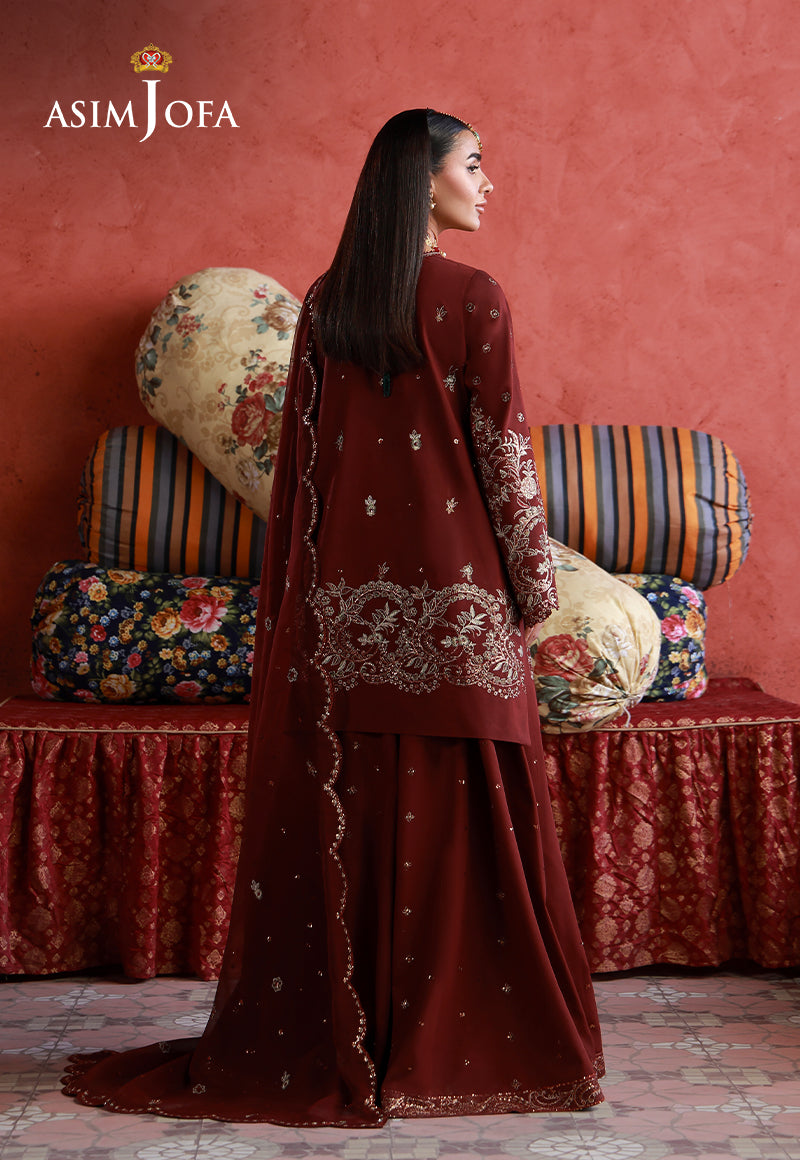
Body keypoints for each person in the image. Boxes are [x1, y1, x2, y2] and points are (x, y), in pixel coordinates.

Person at [62, 109, 604, 1127]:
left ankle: (364, 1037)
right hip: (458, 608)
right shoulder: (474, 297)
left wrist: (302, 616)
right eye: (473, 164)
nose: (488, 182)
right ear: (423, 181)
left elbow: (303, 473)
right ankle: (467, 1040)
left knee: (363, 821)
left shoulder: (327, 303)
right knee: (466, 823)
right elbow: (504, 455)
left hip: (345, 614)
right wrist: (534, 594)